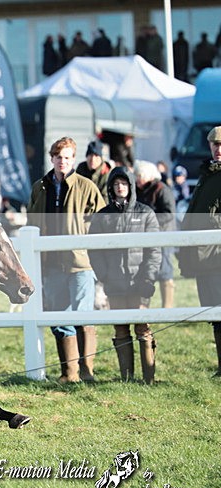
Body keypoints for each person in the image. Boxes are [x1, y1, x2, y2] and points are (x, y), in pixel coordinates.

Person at [28, 137, 106, 383]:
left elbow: (102, 222)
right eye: (58, 157)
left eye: (67, 157)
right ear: (52, 158)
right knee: (58, 318)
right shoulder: (39, 187)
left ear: (74, 159)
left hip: (80, 262)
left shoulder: (86, 187)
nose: (63, 161)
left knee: (83, 317)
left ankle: (87, 371)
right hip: (50, 263)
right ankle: (69, 373)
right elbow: (31, 222)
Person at [89, 167, 161, 383]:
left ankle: (148, 379)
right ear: (111, 187)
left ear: (130, 186)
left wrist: (148, 278)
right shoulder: (102, 216)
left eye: (123, 183)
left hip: (140, 283)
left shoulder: (145, 213)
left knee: (143, 328)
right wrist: (104, 275)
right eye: (116, 184)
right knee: (120, 329)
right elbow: (94, 250)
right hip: (115, 282)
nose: (120, 187)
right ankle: (127, 379)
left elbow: (154, 250)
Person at [178, 126, 221, 376]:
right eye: (215, 144)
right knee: (214, 315)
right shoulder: (207, 174)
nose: (218, 149)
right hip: (203, 258)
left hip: (217, 258)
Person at [135, 160, 176, 308]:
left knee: (165, 271)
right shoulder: (137, 191)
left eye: (139, 175)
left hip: (162, 236)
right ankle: (143, 307)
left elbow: (169, 213)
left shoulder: (162, 189)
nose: (137, 179)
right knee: (145, 273)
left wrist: (149, 221)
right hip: (143, 238)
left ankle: (167, 308)